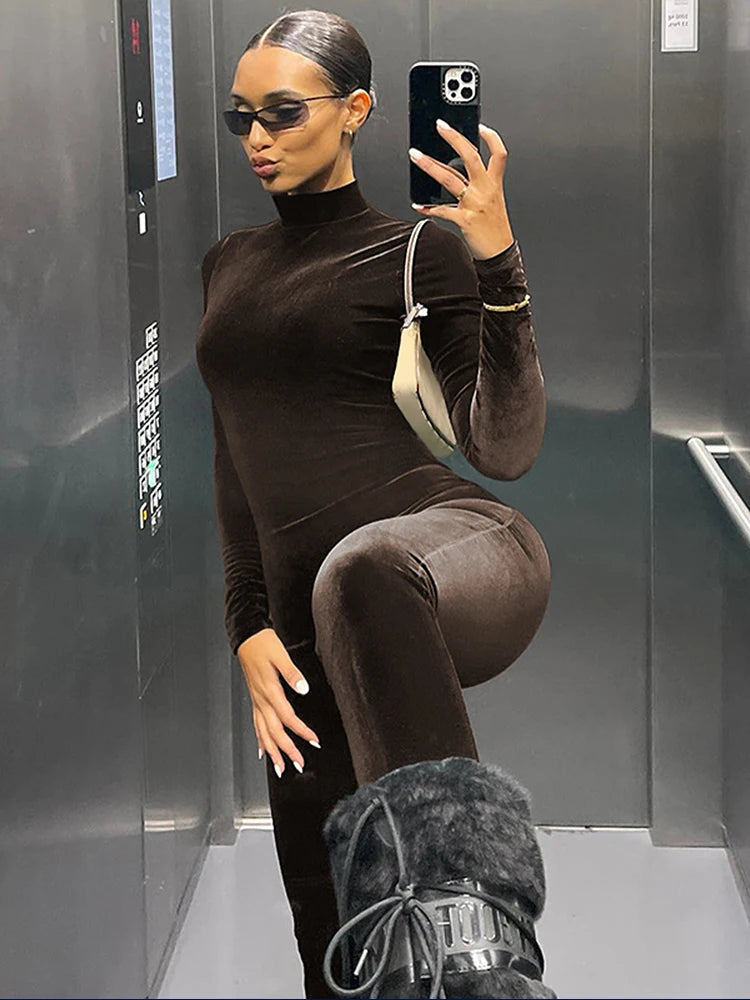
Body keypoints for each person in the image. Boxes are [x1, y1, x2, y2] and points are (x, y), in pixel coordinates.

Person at [195, 9, 551, 997]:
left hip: (451, 552)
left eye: (283, 112)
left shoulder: (418, 251)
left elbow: (505, 446)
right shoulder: (226, 264)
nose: (258, 137)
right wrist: (247, 626)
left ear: (354, 110)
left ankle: (476, 950)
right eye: (240, 117)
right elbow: (234, 461)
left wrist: (498, 259)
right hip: (304, 620)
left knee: (361, 570)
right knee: (333, 927)